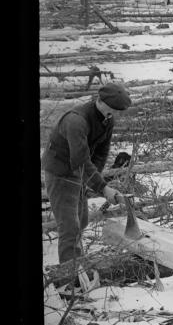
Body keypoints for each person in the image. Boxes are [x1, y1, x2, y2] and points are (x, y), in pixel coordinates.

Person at [42, 83, 133, 267]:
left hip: (80, 172)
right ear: (99, 100)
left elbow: (100, 153)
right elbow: (80, 161)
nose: (114, 114)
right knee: (70, 228)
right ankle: (69, 279)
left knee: (82, 220)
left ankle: (77, 262)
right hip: (60, 173)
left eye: (117, 111)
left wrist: (94, 181)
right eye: (112, 109)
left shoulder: (107, 119)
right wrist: (103, 187)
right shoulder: (76, 121)